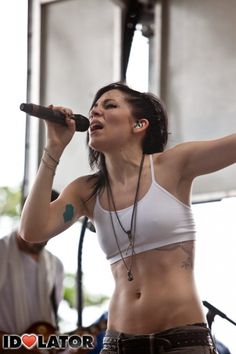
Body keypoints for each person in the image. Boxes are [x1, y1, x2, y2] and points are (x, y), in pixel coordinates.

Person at [19, 82, 236, 354]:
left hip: (182, 341)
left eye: (109, 106)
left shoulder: (173, 165)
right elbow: (31, 231)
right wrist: (53, 148)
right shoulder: (85, 190)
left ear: (139, 124)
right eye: (93, 109)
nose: (96, 113)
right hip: (119, 343)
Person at [0, 190, 64, 339]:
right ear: (24, 215)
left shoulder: (56, 266)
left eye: (49, 224)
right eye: (37, 221)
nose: (40, 231)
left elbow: (49, 330)